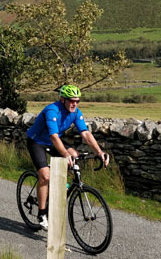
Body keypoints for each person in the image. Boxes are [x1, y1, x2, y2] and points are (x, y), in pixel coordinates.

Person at [25, 84, 109, 230]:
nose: (74, 104)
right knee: (45, 176)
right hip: (37, 141)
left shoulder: (76, 112)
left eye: (77, 101)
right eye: (71, 100)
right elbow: (53, 136)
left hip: (54, 141)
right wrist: (64, 153)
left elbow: (85, 134)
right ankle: (42, 213)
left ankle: (61, 184)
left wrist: (99, 152)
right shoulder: (52, 110)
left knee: (75, 155)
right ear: (62, 99)